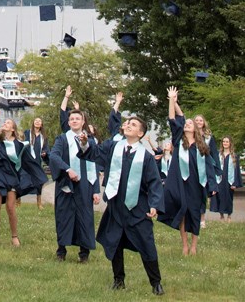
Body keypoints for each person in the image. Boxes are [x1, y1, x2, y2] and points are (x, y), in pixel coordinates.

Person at [79, 115, 165, 295]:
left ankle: (156, 283)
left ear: (140, 133)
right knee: (114, 242)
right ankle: (118, 280)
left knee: (147, 245)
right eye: (128, 123)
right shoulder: (113, 147)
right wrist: (85, 143)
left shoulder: (146, 157)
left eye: (133, 125)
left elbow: (155, 183)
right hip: (116, 207)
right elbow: (94, 153)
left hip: (137, 208)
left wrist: (154, 204)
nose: (128, 126)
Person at [158, 87, 217, 256]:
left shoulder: (201, 147)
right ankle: (184, 245)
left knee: (195, 213)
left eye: (190, 123)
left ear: (196, 129)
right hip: (180, 183)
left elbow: (208, 167)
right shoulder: (178, 141)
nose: (187, 124)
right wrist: (172, 100)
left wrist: (212, 185)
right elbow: (173, 118)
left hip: (197, 184)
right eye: (186, 123)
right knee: (183, 211)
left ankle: (194, 246)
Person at [50, 86, 100, 262]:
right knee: (64, 216)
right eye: (72, 119)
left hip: (86, 182)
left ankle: (84, 253)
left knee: (85, 217)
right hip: (66, 183)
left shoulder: (90, 140)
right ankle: (61, 250)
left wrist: (96, 190)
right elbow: (54, 156)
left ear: (83, 121)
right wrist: (67, 169)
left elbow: (95, 164)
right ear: (69, 122)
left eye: (78, 118)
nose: (74, 121)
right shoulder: (63, 139)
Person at [0, 114, 46, 247]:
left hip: (11, 176)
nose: (5, 124)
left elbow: (29, 162)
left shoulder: (20, 145)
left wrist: (39, 177)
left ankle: (14, 237)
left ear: (13, 129)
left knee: (11, 207)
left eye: (8, 123)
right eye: (4, 122)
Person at [193, 113, 219, 229]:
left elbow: (214, 153)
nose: (198, 122)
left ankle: (202, 219)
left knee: (203, 193)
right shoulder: (190, 135)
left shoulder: (208, 137)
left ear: (204, 123)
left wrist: (217, 170)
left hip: (205, 167)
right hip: (193, 168)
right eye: (196, 120)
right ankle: (194, 217)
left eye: (200, 120)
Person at [210, 136, 242, 223]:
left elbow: (236, 170)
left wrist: (235, 183)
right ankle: (221, 216)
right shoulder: (218, 155)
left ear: (230, 143)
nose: (225, 143)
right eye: (224, 141)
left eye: (227, 142)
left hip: (229, 180)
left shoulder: (234, 156)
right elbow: (214, 167)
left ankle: (229, 215)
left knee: (228, 198)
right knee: (219, 197)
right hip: (219, 179)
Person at [23, 117, 49, 210]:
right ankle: (18, 200)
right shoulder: (27, 133)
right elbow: (22, 143)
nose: (37, 122)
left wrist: (45, 153)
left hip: (37, 160)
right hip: (27, 160)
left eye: (39, 121)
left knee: (39, 182)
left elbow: (46, 148)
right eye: (36, 121)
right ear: (33, 123)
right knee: (22, 179)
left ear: (41, 124)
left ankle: (39, 202)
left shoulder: (43, 137)